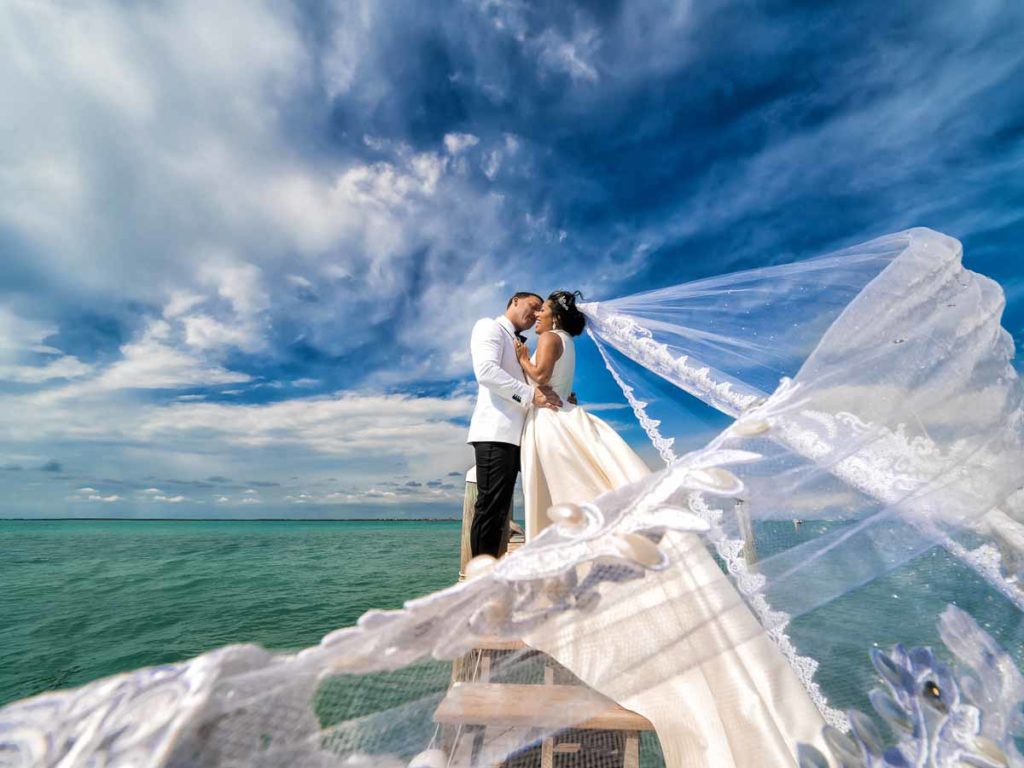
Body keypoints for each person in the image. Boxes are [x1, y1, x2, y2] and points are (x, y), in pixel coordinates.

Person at [515, 290, 651, 539]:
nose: (537, 315)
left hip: (548, 419)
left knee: (559, 486)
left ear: (555, 317)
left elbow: (542, 376)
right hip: (562, 410)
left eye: (542, 310)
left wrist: (523, 358)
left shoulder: (549, 337)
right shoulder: (567, 341)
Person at [466, 292, 563, 557]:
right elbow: (486, 371)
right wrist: (532, 395)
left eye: (539, 311)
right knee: (491, 508)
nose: (535, 315)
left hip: (523, 435)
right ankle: (481, 577)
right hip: (496, 432)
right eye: (532, 307)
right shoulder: (489, 326)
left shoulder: (521, 346)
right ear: (514, 301)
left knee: (529, 501)